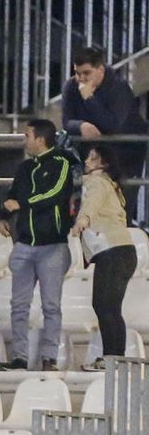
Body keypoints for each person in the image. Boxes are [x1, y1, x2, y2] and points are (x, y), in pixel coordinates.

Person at [0, 118, 75, 372]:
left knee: (51, 305)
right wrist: (2, 216)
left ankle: (49, 357)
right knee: (19, 305)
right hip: (24, 244)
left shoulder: (62, 163)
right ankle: (19, 356)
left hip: (53, 246)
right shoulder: (25, 167)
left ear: (40, 139)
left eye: (27, 135)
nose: (24, 140)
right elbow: (11, 195)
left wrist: (23, 205)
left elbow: (55, 194)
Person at [74, 146, 139, 369]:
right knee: (109, 307)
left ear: (104, 164)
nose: (87, 161)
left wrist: (83, 219)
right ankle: (113, 359)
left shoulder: (97, 181)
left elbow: (92, 202)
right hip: (123, 252)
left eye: (93, 158)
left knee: (105, 306)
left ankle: (112, 359)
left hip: (112, 251)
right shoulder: (111, 185)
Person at [63, 45, 149, 189]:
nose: (81, 79)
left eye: (86, 73)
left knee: (120, 205)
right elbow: (66, 121)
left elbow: (113, 125)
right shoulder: (71, 86)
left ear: (100, 70)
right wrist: (81, 125)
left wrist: (89, 99)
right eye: (77, 73)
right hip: (93, 155)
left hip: (125, 155)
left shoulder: (119, 88)